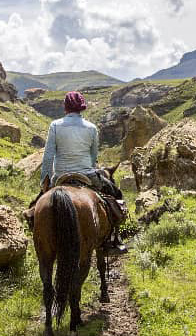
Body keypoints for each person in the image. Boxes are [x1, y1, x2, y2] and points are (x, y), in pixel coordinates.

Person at [35, 91, 127, 255]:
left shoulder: (55, 125)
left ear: (65, 107)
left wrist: (45, 181)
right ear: (82, 108)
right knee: (115, 196)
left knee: (35, 206)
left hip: (60, 176)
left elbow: (48, 155)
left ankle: (34, 231)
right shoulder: (91, 128)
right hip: (88, 175)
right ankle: (114, 239)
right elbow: (93, 157)